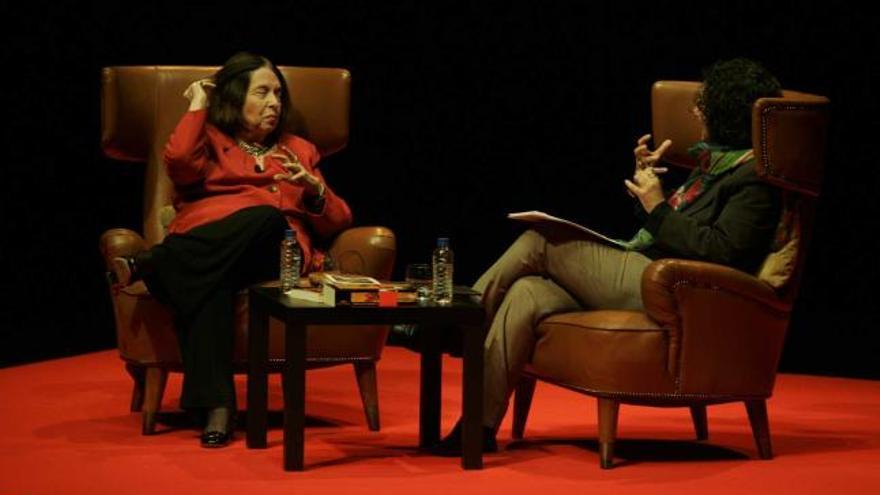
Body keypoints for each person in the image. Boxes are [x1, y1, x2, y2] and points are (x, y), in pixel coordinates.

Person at [430, 57, 784, 455]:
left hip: (678, 292)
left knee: (539, 240)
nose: (695, 110)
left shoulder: (754, 178)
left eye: (704, 102)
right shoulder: (715, 166)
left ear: (727, 109)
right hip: (654, 275)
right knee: (527, 291)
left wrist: (659, 208)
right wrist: (647, 187)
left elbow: (722, 251)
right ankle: (476, 428)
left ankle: (449, 321)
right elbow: (676, 230)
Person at [110, 52, 352, 448]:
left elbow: (340, 220)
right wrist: (197, 105)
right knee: (215, 282)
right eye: (262, 92)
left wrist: (314, 189)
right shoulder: (209, 141)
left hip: (276, 251)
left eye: (278, 93)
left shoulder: (299, 150)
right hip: (216, 255)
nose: (275, 102)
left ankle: (153, 265)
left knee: (268, 219)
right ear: (236, 97)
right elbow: (180, 163)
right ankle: (219, 407)